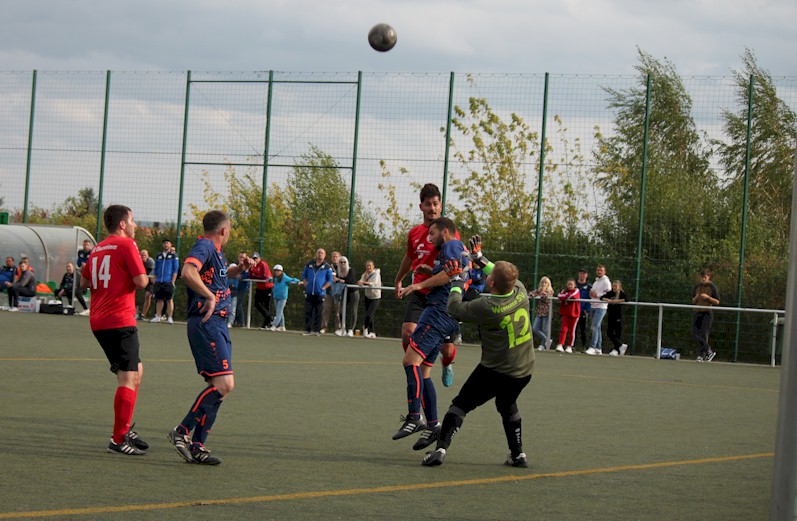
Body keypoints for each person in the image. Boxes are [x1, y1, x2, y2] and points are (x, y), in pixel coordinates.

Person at [422, 238, 534, 468]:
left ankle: (440, 450)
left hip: (496, 370)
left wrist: (455, 281)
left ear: (491, 283)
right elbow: (499, 273)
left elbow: (454, 309)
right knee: (507, 405)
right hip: (524, 370)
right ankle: (518, 454)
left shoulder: (488, 307)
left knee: (460, 405)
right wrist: (479, 257)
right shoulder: (520, 290)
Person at [167, 210, 255, 465]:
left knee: (220, 389)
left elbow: (219, 277)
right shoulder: (205, 245)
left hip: (216, 325)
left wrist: (239, 268)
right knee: (225, 385)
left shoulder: (215, 252)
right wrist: (209, 296)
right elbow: (187, 271)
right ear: (224, 231)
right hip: (208, 323)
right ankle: (181, 432)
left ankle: (197, 445)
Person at [79, 204, 150, 456]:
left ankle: (125, 427)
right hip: (119, 320)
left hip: (99, 319)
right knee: (127, 377)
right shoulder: (126, 245)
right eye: (132, 220)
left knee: (136, 371)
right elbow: (142, 282)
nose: (134, 225)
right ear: (122, 224)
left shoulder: (98, 247)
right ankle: (118, 440)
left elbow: (85, 281)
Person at [396, 217, 469, 451]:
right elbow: (452, 272)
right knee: (425, 372)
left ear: (445, 232)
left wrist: (419, 284)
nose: (429, 238)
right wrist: (432, 269)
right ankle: (433, 424)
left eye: (433, 234)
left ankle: (415, 417)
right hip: (444, 314)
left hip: (438, 312)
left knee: (410, 360)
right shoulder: (450, 249)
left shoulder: (451, 245)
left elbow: (452, 275)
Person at [393, 183, 458, 388]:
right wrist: (398, 279)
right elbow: (409, 258)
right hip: (421, 293)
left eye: (436, 204)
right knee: (407, 332)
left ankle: (446, 364)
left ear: (440, 206)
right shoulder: (414, 234)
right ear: (421, 206)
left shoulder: (450, 234)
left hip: (442, 298)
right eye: (428, 204)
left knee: (447, 350)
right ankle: (415, 365)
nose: (432, 208)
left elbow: (454, 270)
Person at [301, 248, 334, 336]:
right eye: (318, 252)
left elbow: (330, 280)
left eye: (322, 253)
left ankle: (317, 331)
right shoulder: (309, 264)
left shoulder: (327, 266)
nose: (320, 254)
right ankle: (307, 330)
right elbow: (304, 275)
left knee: (319, 313)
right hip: (309, 292)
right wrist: (305, 284)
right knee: (308, 311)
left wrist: (323, 288)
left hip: (320, 294)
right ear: (316, 254)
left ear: (325, 255)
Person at [691, 269, 720, 362]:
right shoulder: (697, 287)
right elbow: (692, 301)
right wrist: (696, 298)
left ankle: (702, 354)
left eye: (705, 277)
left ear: (708, 277)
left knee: (704, 333)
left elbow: (717, 301)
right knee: (694, 333)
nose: (703, 279)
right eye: (702, 277)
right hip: (697, 312)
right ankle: (708, 350)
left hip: (707, 313)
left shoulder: (712, 287)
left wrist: (708, 298)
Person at [150, 239, 179, 324]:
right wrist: (155, 280)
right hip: (159, 281)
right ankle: (158, 316)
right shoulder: (159, 256)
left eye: (167, 243)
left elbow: (175, 269)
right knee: (159, 299)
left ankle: (170, 317)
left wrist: (173, 281)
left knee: (169, 299)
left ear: (170, 244)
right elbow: (155, 269)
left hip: (168, 281)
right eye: (164, 243)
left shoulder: (173, 256)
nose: (166, 245)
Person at [587, 265, 611, 355]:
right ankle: (598, 347)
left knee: (594, 326)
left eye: (601, 270)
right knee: (597, 327)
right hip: (593, 305)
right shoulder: (596, 281)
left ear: (604, 272)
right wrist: (592, 294)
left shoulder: (606, 281)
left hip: (601, 306)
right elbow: (593, 293)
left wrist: (597, 295)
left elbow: (608, 293)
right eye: (598, 270)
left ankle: (592, 346)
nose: (599, 272)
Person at [249, 252, 274, 330]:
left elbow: (264, 276)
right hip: (260, 287)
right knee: (257, 304)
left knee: (266, 305)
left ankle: (267, 323)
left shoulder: (263, 264)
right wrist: (255, 275)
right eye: (253, 258)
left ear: (259, 258)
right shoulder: (252, 266)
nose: (255, 260)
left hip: (267, 287)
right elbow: (250, 276)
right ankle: (269, 318)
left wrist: (255, 276)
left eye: (256, 258)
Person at [602, 280, 628, 356]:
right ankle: (620, 346)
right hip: (611, 315)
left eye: (616, 286)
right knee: (609, 332)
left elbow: (626, 299)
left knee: (617, 332)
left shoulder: (621, 294)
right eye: (613, 286)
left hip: (618, 316)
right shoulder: (610, 293)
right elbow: (602, 297)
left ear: (619, 287)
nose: (614, 288)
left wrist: (617, 301)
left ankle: (616, 349)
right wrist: (608, 300)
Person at [270, 264, 299, 331]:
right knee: (280, 311)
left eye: (278, 271)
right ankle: (282, 326)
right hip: (276, 296)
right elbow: (272, 280)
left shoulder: (284, 278)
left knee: (278, 311)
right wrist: (269, 279)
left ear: (281, 271)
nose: (277, 272)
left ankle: (274, 325)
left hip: (282, 297)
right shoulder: (275, 278)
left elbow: (292, 279)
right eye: (275, 271)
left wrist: (298, 281)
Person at [555, 279, 581, 354]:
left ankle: (570, 346)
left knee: (572, 330)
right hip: (566, 313)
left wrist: (565, 297)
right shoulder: (564, 291)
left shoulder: (576, 290)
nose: (570, 286)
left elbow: (572, 296)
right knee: (564, 329)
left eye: (571, 284)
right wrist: (566, 296)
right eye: (568, 284)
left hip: (574, 314)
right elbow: (559, 295)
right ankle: (560, 344)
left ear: (574, 285)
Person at [336, 256, 359, 337]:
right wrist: (338, 280)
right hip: (343, 293)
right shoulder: (338, 272)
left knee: (353, 311)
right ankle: (343, 328)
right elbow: (336, 281)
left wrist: (339, 280)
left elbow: (349, 281)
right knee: (341, 311)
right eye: (341, 262)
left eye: (344, 262)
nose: (343, 264)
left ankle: (351, 330)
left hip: (353, 292)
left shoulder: (350, 270)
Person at [358, 260, 382, 339]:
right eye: (367, 265)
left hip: (375, 297)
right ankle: (372, 332)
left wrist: (363, 282)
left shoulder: (376, 274)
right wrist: (360, 282)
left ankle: (365, 328)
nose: (368, 267)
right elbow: (361, 281)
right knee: (369, 315)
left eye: (370, 266)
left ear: (373, 266)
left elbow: (373, 283)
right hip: (367, 296)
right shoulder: (364, 274)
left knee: (369, 314)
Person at [529, 276, 554, 351]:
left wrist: (542, 292)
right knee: (535, 328)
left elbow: (545, 296)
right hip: (539, 312)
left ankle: (543, 345)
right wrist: (536, 294)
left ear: (548, 284)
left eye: (545, 282)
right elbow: (531, 294)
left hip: (547, 312)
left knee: (545, 329)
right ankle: (547, 340)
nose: (544, 284)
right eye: (542, 282)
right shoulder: (538, 290)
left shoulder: (550, 291)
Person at [322, 251, 342, 335]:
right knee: (326, 309)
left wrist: (337, 279)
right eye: (333, 256)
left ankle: (338, 328)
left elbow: (346, 278)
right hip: (328, 292)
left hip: (338, 292)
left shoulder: (343, 267)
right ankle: (323, 327)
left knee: (338, 312)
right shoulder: (328, 267)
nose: (335, 258)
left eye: (336, 256)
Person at [574, 268, 592, 350]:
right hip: (573, 310)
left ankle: (584, 346)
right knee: (574, 329)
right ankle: (572, 346)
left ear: (586, 275)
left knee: (583, 329)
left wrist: (587, 309)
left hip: (583, 311)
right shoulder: (573, 285)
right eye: (581, 273)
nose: (582, 275)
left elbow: (590, 299)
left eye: (584, 273)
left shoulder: (589, 287)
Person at [137, 249, 155, 320]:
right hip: (140, 279)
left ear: (147, 256)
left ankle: (143, 314)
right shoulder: (137, 261)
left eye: (144, 255)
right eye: (141, 255)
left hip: (150, 280)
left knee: (147, 295)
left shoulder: (151, 262)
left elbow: (153, 274)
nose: (143, 256)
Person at [233, 252, 249, 327]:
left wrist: (241, 276)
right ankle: (238, 321)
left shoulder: (247, 265)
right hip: (234, 287)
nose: (241, 258)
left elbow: (248, 275)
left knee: (238, 304)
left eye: (243, 257)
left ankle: (241, 322)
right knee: (236, 305)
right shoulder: (235, 264)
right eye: (240, 257)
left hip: (242, 288)